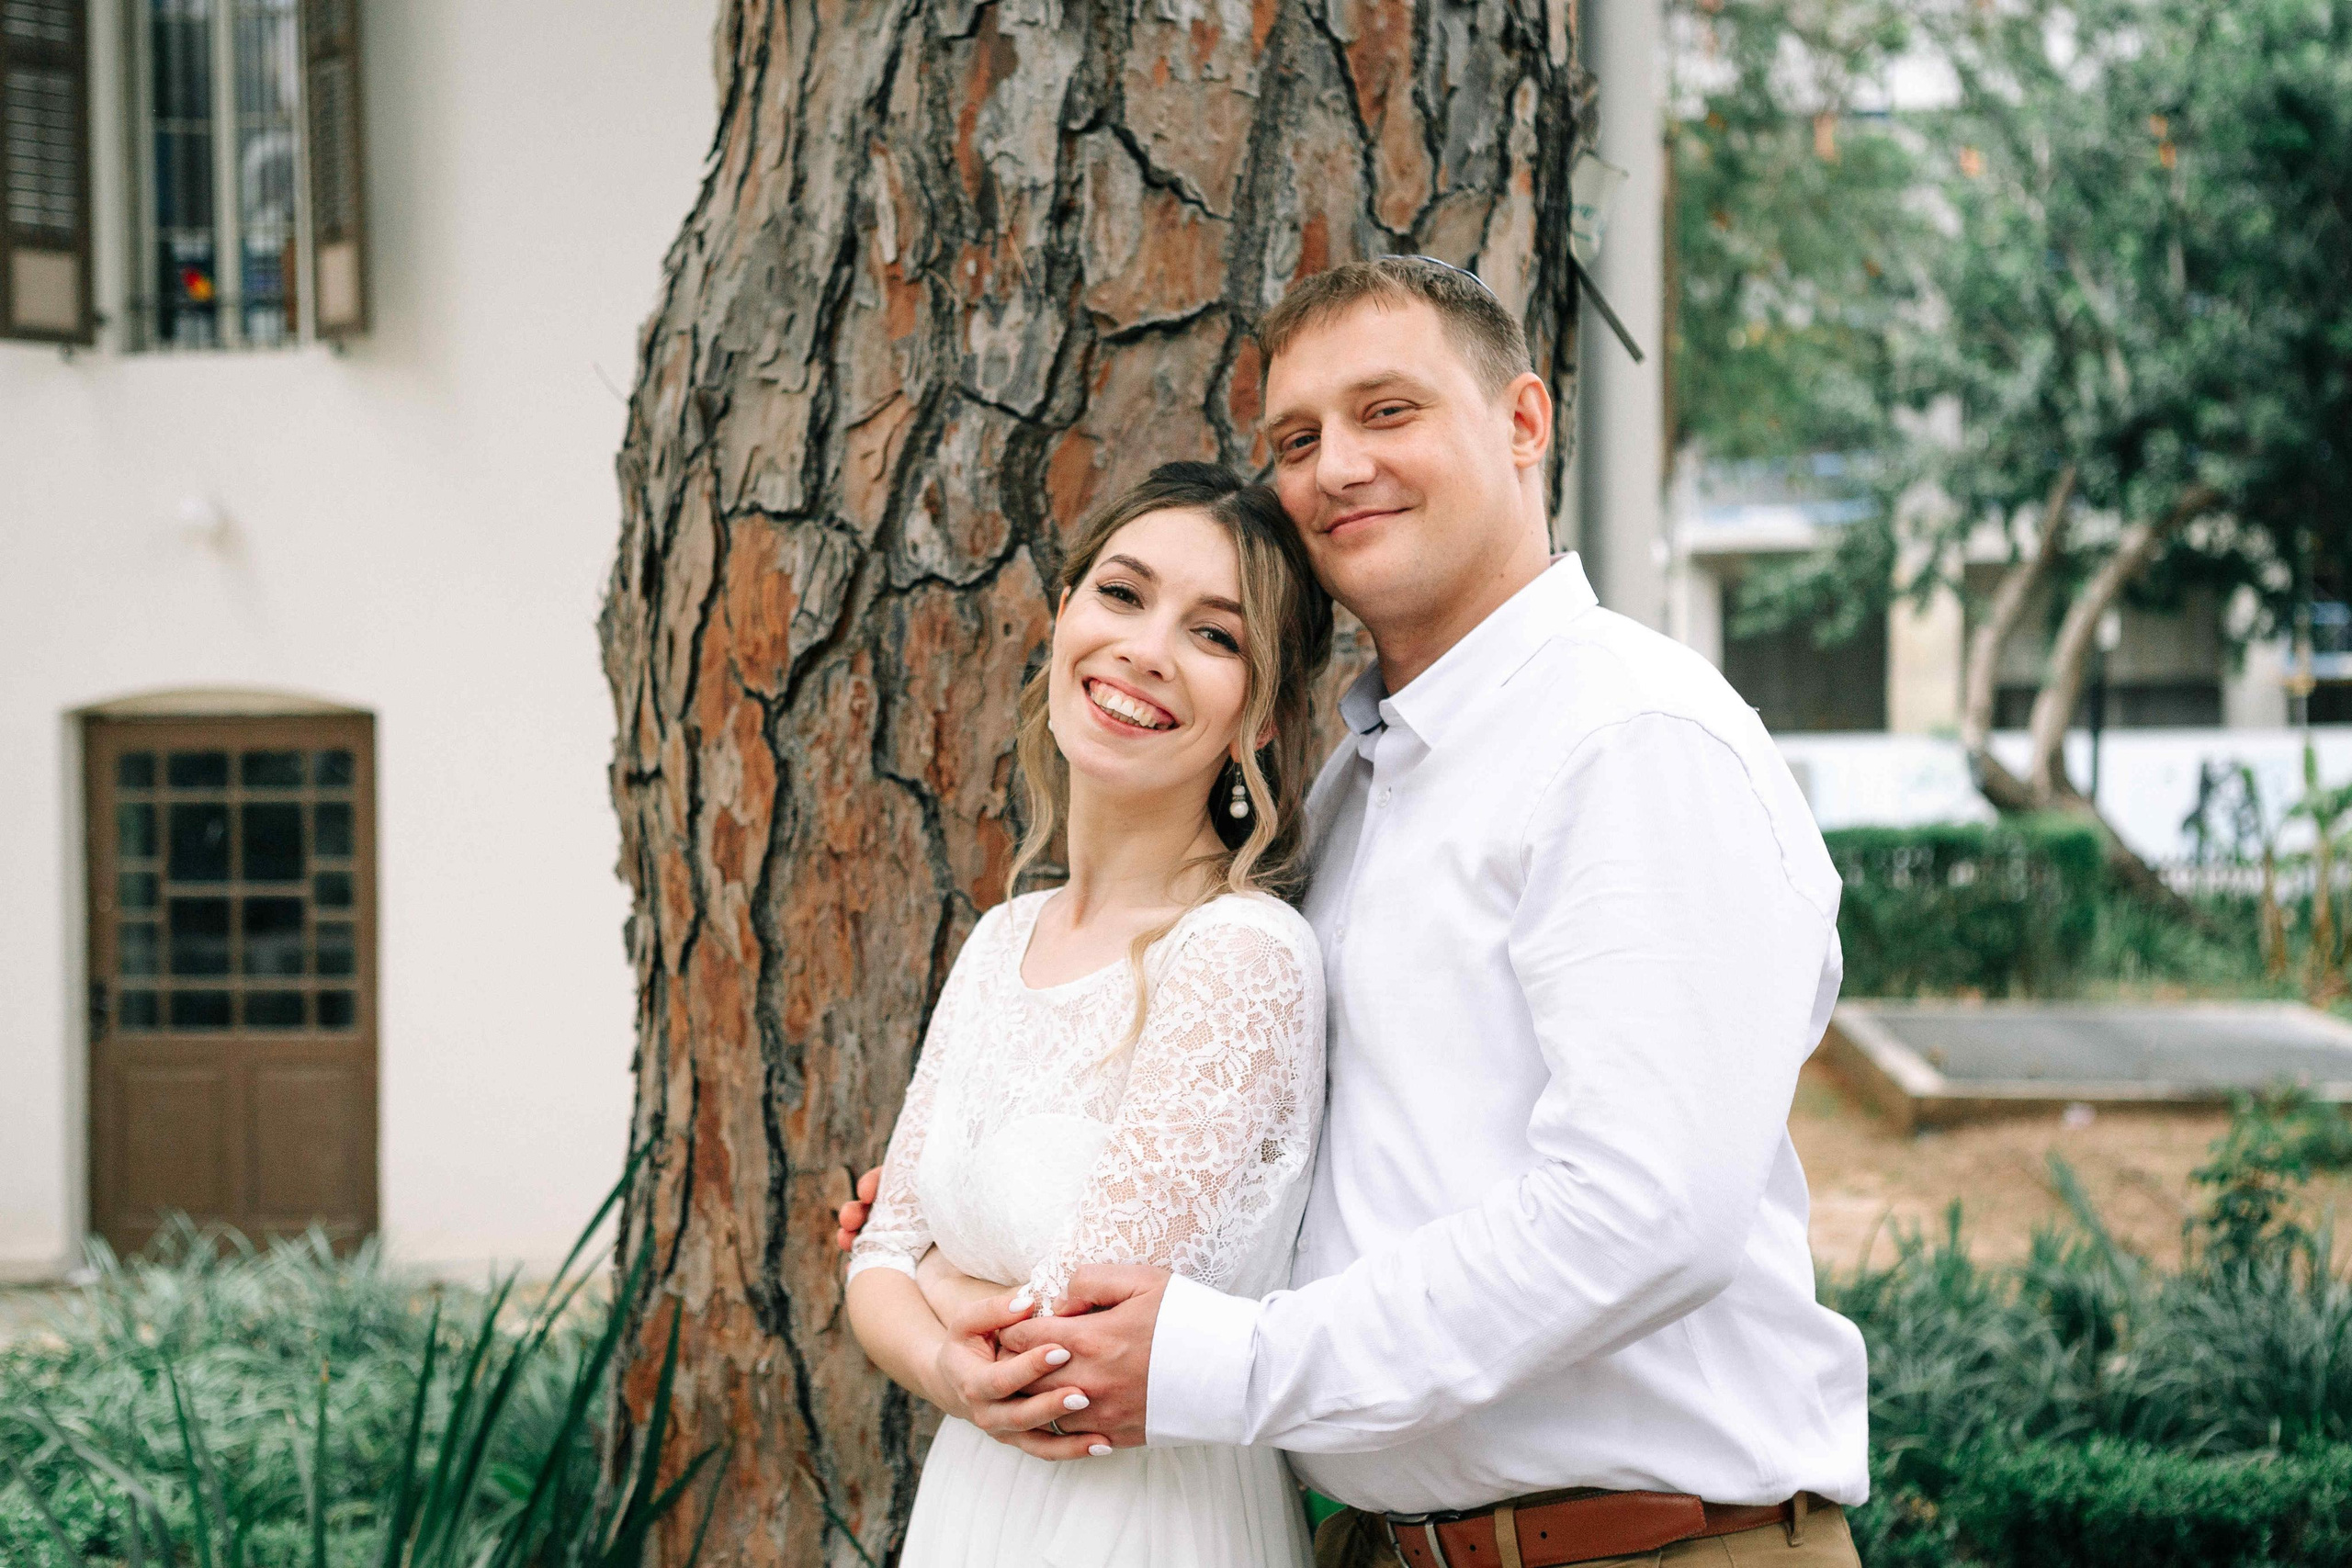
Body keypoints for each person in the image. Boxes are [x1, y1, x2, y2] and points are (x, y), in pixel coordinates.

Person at [843, 256, 1871, 1568]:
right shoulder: (1355, 790)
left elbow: (1646, 1213)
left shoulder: (1630, 739)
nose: (1336, 466)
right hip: (1384, 1544)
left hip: (1649, 1546)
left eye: (1388, 411)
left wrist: (1197, 1352)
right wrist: (983, 1188)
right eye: (1295, 439)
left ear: (1523, 421)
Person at [842, 462, 1337, 1566]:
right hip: (974, 1503)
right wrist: (946, 1368)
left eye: (1214, 635)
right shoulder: (999, 940)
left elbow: (1075, 1347)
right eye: (1121, 594)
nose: (1147, 649)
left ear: (1260, 714)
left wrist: (926, 1280)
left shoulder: (1240, 955)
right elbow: (871, 1256)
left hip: (1141, 1523)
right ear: (1063, 612)